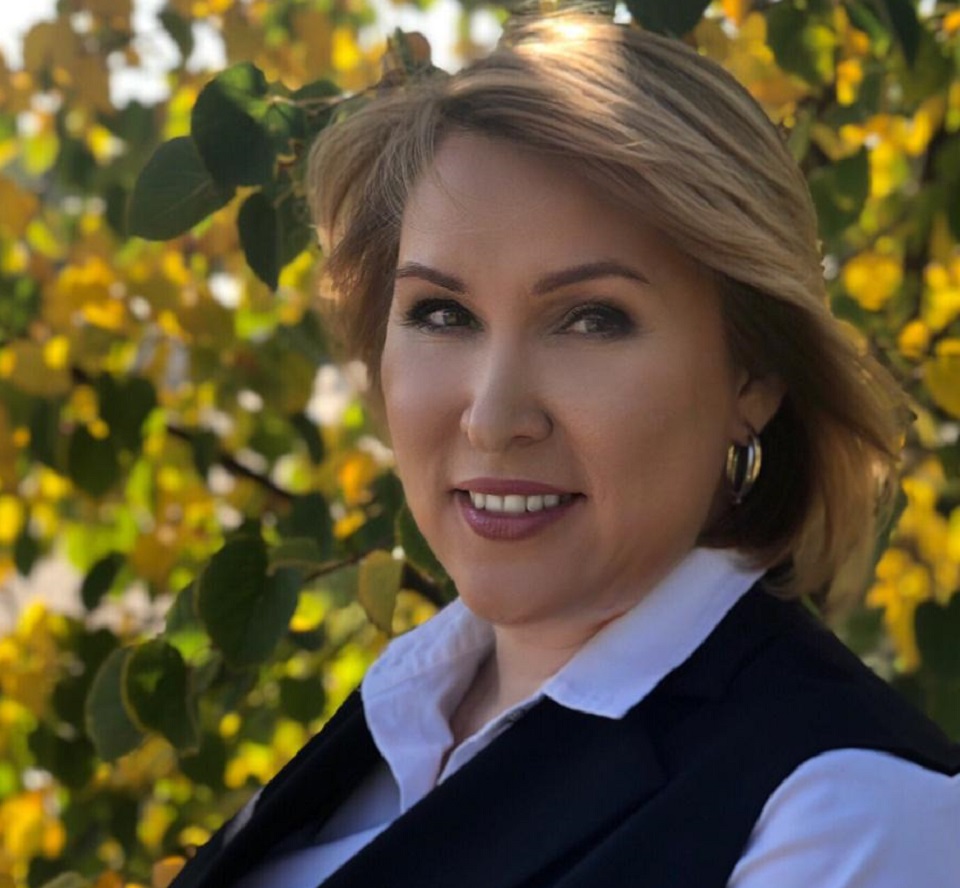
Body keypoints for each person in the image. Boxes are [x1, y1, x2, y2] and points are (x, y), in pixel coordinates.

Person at [170, 13, 960, 888]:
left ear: (754, 376)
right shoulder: (402, 711)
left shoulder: (848, 811)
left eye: (591, 320)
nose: (492, 417)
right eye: (442, 313)